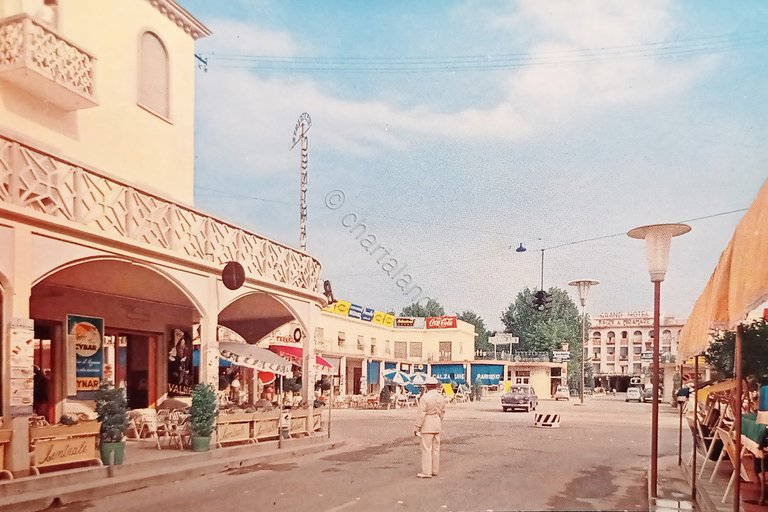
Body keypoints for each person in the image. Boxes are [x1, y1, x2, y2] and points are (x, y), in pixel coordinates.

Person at [414, 379, 446, 478]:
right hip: (437, 423)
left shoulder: (425, 398)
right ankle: (435, 470)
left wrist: (417, 427)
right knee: (436, 448)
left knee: (426, 448)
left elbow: (421, 414)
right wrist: (439, 420)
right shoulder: (441, 397)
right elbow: (443, 412)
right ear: (436, 386)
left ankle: (426, 472)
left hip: (427, 424)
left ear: (427, 386)